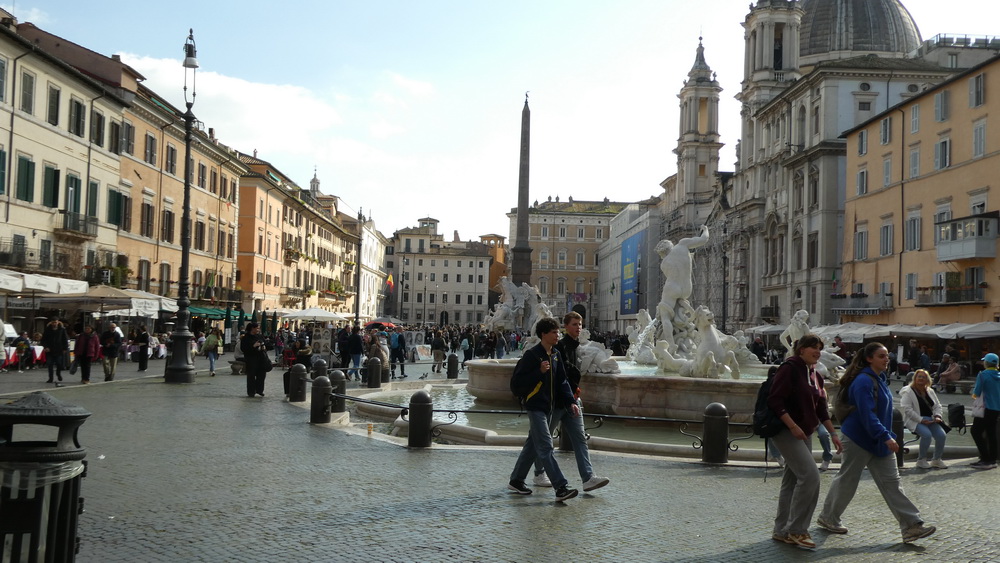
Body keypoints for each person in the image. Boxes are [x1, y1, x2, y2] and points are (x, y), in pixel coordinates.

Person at [817, 342, 936, 544]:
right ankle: (828, 517)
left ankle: (911, 526)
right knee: (847, 480)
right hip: (859, 438)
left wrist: (884, 436)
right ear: (869, 358)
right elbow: (867, 414)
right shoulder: (863, 380)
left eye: (887, 355)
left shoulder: (878, 379)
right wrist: (886, 436)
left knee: (892, 483)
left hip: (879, 440)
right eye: (881, 356)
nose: (886, 359)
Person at [766, 334, 842, 549]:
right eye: (813, 347)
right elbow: (775, 400)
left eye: (819, 348)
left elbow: (821, 410)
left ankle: (781, 530)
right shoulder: (789, 368)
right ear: (801, 349)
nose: (817, 351)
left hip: (805, 432)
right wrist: (792, 426)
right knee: (810, 477)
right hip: (786, 431)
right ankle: (797, 530)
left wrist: (833, 434)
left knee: (791, 482)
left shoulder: (815, 375)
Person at [531, 312, 610, 492]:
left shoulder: (574, 346)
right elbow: (561, 375)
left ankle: (588, 478)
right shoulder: (560, 346)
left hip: (572, 400)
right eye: (574, 324)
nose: (578, 327)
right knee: (544, 440)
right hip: (557, 402)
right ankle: (538, 473)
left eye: (580, 324)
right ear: (565, 327)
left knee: (580, 439)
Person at [507, 317, 580, 502]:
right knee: (546, 445)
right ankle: (561, 487)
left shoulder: (555, 354)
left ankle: (516, 480)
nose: (557, 335)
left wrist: (571, 401)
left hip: (549, 406)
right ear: (543, 334)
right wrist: (538, 372)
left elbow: (562, 381)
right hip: (535, 406)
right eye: (554, 332)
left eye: (558, 332)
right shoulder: (532, 356)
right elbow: (516, 384)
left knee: (532, 445)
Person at [898, 369, 948, 469]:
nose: (921, 378)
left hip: (931, 419)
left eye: (923, 377)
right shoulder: (908, 391)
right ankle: (921, 460)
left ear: (927, 379)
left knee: (941, 435)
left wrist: (937, 416)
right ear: (915, 378)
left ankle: (936, 459)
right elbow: (907, 409)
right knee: (927, 435)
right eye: (919, 376)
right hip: (914, 420)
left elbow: (937, 405)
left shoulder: (930, 391)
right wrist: (921, 420)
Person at [971, 352, 1000, 470]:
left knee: (975, 431)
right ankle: (992, 459)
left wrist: (974, 396)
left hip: (985, 408)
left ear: (986, 363)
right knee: (991, 432)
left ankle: (985, 458)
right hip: (996, 409)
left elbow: (976, 393)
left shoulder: (983, 375)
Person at [240, 323, 270, 397]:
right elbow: (243, 349)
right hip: (251, 359)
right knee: (251, 376)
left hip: (261, 359)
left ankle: (260, 390)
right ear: (252, 328)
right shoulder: (246, 338)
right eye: (257, 328)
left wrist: (265, 346)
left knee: (262, 375)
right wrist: (253, 346)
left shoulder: (260, 336)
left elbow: (267, 344)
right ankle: (251, 392)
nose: (258, 330)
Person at [40, 319, 69, 385]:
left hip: (59, 350)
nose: (54, 324)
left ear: (58, 322)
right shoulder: (47, 330)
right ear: (51, 323)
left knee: (59, 363)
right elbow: (43, 340)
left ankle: (58, 373)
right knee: (50, 364)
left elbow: (65, 339)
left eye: (55, 322)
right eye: (53, 322)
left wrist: (65, 348)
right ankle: (50, 378)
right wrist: (46, 347)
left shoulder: (62, 330)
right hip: (50, 350)